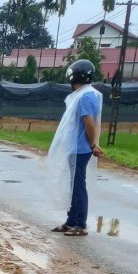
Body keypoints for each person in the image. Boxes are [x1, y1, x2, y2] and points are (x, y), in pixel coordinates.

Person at [47, 59, 104, 236]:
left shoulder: (86, 96)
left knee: (78, 186)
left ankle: (81, 224)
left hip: (81, 149)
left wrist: (93, 144)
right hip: (75, 148)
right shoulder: (85, 94)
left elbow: (89, 123)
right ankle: (71, 220)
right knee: (72, 185)